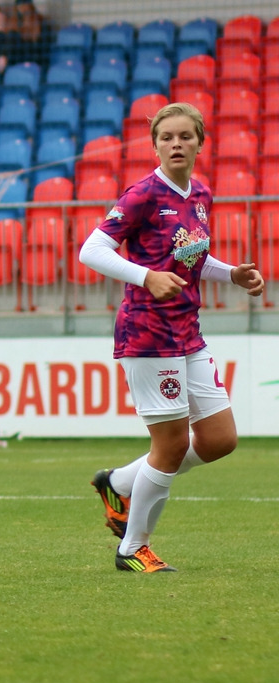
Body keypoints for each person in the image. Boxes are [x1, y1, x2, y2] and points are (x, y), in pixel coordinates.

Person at [78, 102, 264, 573]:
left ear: (200, 142)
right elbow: (92, 250)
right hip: (148, 335)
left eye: (185, 136)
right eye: (167, 137)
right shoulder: (142, 194)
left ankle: (119, 482)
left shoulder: (200, 194)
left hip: (188, 332)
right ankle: (132, 549)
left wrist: (231, 274)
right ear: (155, 145)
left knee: (219, 439)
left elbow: (190, 257)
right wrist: (146, 277)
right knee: (172, 445)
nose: (176, 144)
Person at [0, 0, 51, 73]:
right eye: (19, 5)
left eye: (24, 4)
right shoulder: (16, 22)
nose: (22, 7)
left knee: (13, 35)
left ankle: (0, 61)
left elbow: (41, 49)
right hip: (14, 56)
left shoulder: (40, 22)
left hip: (31, 55)